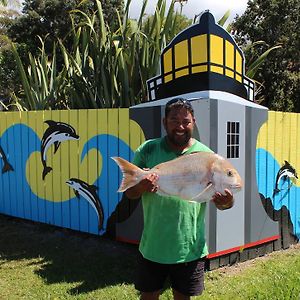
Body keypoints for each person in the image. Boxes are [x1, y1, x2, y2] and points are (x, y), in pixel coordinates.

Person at [125, 97, 234, 300]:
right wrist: (141, 185)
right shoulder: (148, 150)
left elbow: (225, 203)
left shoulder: (208, 156)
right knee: (148, 296)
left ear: (194, 122)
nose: (180, 126)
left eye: (186, 121)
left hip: (190, 248)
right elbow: (129, 193)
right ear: (164, 122)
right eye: (174, 120)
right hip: (153, 246)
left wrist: (227, 202)